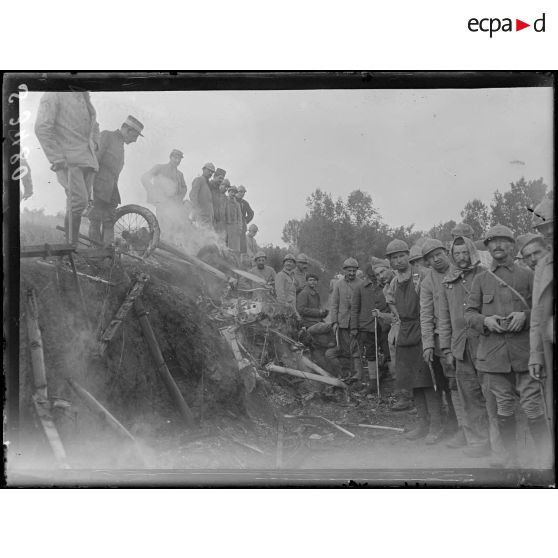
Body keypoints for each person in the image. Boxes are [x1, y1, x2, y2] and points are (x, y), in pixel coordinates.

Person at [465, 224, 550, 468]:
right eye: (492, 242)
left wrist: (525, 315)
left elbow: (543, 307)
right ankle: (510, 460)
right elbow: (469, 314)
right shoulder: (481, 279)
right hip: (494, 357)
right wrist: (486, 320)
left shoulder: (528, 274)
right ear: (487, 248)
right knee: (503, 407)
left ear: (513, 246)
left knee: (533, 406)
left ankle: (545, 459)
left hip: (525, 354)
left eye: (503, 241)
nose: (497, 246)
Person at [438, 235, 498, 459]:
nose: (462, 258)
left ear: (472, 252)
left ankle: (499, 441)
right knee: (469, 396)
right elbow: (443, 318)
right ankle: (479, 441)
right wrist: (447, 349)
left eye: (465, 253)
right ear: (452, 256)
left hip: (485, 343)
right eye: (457, 254)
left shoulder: (484, 274)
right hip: (460, 347)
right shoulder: (448, 281)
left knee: (490, 393)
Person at [385, 239, 442, 443]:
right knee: (412, 383)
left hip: (422, 329)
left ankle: (436, 426)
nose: (398, 261)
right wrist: (398, 321)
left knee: (428, 382)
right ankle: (423, 424)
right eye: (394, 257)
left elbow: (435, 302)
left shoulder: (422, 276)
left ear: (408, 256)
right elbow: (391, 302)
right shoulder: (393, 281)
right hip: (405, 333)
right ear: (390, 261)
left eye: (401, 256)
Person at [35, 90, 100, 244]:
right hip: (69, 160)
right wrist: (56, 158)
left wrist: (95, 144)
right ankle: (70, 245)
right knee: (79, 202)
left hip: (89, 160)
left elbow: (95, 126)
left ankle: (70, 247)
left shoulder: (84, 94)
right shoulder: (53, 94)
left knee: (76, 203)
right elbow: (42, 128)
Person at [419, 238, 458, 444]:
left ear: (446, 251)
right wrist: (428, 344)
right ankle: (453, 423)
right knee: (447, 384)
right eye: (431, 258)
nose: (436, 259)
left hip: (463, 335)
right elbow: (425, 314)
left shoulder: (460, 270)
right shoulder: (427, 282)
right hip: (441, 340)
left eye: (438, 254)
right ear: (427, 262)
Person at [89, 116, 143, 245]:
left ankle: (107, 254)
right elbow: (93, 161)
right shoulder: (107, 136)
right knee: (95, 220)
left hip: (111, 190)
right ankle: (94, 253)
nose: (135, 140)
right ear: (128, 130)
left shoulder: (120, 144)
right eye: (135, 136)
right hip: (98, 187)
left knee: (109, 222)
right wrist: (90, 188)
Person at [528, 196, 554, 444]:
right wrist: (535, 354)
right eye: (545, 233)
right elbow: (536, 314)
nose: (550, 236)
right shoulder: (543, 266)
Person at [351, 263, 391, 387]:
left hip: (385, 325)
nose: (375, 278)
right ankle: (373, 383)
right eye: (372, 275)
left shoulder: (386, 286)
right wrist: (354, 327)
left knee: (388, 352)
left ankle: (395, 382)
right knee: (370, 354)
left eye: (377, 275)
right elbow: (355, 308)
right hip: (367, 327)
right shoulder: (360, 287)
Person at [327, 258, 364, 379]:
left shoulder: (361, 283)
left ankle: (358, 375)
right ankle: (346, 373)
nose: (352, 273)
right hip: (342, 322)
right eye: (349, 271)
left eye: (354, 271)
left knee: (356, 349)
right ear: (344, 271)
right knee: (344, 349)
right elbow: (334, 304)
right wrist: (334, 322)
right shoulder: (338, 284)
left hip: (356, 323)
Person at [141, 149, 187, 241]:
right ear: (170, 157)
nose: (177, 161)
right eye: (175, 158)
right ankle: (160, 248)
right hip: (162, 203)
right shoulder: (160, 168)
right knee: (162, 227)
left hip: (174, 206)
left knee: (173, 229)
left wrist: (178, 199)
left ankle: (168, 249)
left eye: (179, 159)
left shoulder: (180, 174)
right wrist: (152, 191)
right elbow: (145, 178)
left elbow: (184, 188)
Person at [189, 162, 215, 228]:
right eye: (209, 170)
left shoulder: (208, 184)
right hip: (201, 217)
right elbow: (193, 195)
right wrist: (195, 212)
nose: (210, 173)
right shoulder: (199, 180)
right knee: (201, 236)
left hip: (208, 218)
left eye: (212, 172)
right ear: (203, 169)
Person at [224, 185, 243, 254]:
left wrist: (240, 228)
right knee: (226, 245)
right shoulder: (225, 201)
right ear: (228, 192)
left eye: (234, 192)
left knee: (235, 247)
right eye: (231, 192)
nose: (233, 194)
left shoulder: (237, 204)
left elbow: (240, 217)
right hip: (226, 226)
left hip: (235, 227)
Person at [236, 185, 254, 253]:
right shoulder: (232, 200)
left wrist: (245, 221)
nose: (242, 194)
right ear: (236, 192)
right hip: (233, 226)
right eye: (240, 192)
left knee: (242, 247)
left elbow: (251, 213)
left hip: (242, 228)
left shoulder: (245, 203)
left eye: (243, 192)